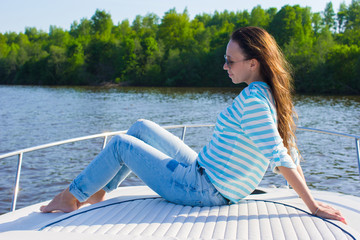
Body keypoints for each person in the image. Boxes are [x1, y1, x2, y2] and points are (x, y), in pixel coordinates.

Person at [40, 26, 346, 224]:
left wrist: (313, 205)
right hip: (205, 172)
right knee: (141, 126)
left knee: (121, 144)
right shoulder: (266, 94)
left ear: (253, 63)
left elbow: (280, 155)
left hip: (204, 188)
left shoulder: (254, 102)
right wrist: (312, 200)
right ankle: (101, 189)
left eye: (230, 61)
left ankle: (72, 196)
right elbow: (288, 150)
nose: (224, 66)